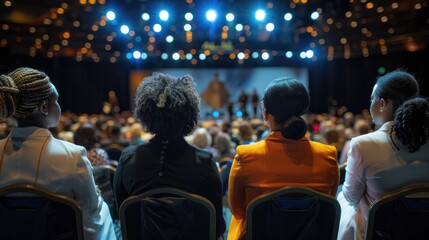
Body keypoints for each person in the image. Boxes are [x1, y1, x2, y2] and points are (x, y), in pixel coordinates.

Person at [0, 67, 116, 240]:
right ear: (45, 107)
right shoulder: (73, 155)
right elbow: (92, 216)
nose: (59, 106)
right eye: (57, 101)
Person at [113, 72, 226, 239]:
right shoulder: (205, 162)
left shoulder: (128, 158)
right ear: (189, 116)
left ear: (146, 114)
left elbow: (120, 215)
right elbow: (216, 226)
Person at [228, 77, 339, 240]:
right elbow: (327, 207)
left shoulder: (245, 156)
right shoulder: (328, 155)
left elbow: (237, 211)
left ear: (265, 113)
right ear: (304, 112)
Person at [337, 70, 429, 240]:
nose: (370, 104)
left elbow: (352, 196)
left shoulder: (362, 144)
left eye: (372, 99)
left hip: (380, 233)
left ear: (381, 104)